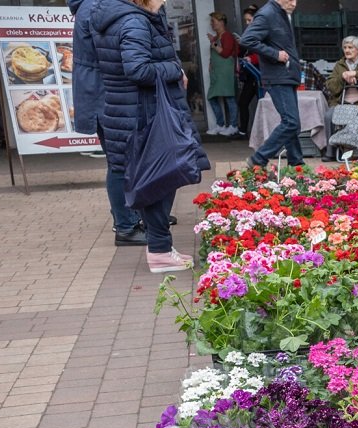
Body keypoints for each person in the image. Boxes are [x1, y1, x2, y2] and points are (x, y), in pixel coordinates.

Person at [91, 0, 200, 272]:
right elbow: (137, 69)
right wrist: (174, 70)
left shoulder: (125, 18)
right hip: (144, 113)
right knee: (160, 180)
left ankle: (160, 247)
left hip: (133, 111)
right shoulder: (134, 22)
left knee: (156, 179)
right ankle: (160, 251)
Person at [65, 0, 146, 246]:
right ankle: (125, 226)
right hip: (105, 94)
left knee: (125, 159)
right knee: (120, 161)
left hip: (102, 92)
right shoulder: (96, 8)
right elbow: (113, 54)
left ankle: (132, 216)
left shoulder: (92, 6)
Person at [241, 0, 303, 169]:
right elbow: (247, 40)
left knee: (291, 124)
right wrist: (275, 54)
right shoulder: (267, 14)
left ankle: (297, 164)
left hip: (287, 75)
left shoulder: (280, 14)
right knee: (291, 122)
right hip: (278, 76)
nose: (294, 3)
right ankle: (258, 159)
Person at [322, 35, 358, 159]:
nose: (347, 50)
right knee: (329, 116)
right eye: (345, 47)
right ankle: (330, 152)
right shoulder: (340, 65)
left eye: (350, 47)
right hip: (343, 102)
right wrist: (342, 77)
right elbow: (330, 86)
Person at [206, 12, 240, 136]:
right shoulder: (217, 37)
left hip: (226, 72)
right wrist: (211, 63)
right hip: (217, 72)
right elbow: (215, 54)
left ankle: (233, 125)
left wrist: (213, 43)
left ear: (221, 22)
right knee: (212, 97)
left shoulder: (227, 36)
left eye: (213, 21)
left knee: (229, 98)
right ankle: (220, 125)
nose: (211, 23)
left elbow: (225, 53)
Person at [236, 6, 261, 136]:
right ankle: (243, 130)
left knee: (260, 103)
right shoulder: (249, 34)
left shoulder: (261, 34)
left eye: (249, 20)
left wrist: (251, 58)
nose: (247, 23)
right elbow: (240, 53)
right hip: (252, 74)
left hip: (259, 74)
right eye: (246, 21)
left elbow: (265, 52)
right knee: (244, 102)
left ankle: (248, 130)